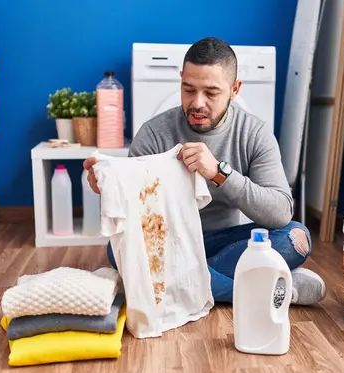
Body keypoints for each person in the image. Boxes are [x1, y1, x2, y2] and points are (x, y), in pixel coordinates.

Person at [84, 37, 326, 306]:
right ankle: (270, 291)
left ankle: (168, 284)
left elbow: (280, 212)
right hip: (169, 244)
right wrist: (109, 187)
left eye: (211, 93)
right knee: (117, 251)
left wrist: (220, 174)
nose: (197, 103)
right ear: (180, 81)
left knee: (295, 238)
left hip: (226, 242)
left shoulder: (254, 133)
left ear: (235, 90)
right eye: (188, 89)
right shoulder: (154, 133)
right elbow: (134, 218)